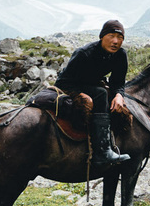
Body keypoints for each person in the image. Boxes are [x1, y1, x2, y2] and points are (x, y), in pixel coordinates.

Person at [55, 19, 132, 170]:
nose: (115, 41)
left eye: (120, 38)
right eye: (111, 36)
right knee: (100, 94)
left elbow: (118, 82)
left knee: (117, 103)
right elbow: (63, 82)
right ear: (102, 36)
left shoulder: (120, 55)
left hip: (92, 84)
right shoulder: (84, 54)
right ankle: (101, 152)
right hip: (70, 85)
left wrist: (119, 95)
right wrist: (81, 94)